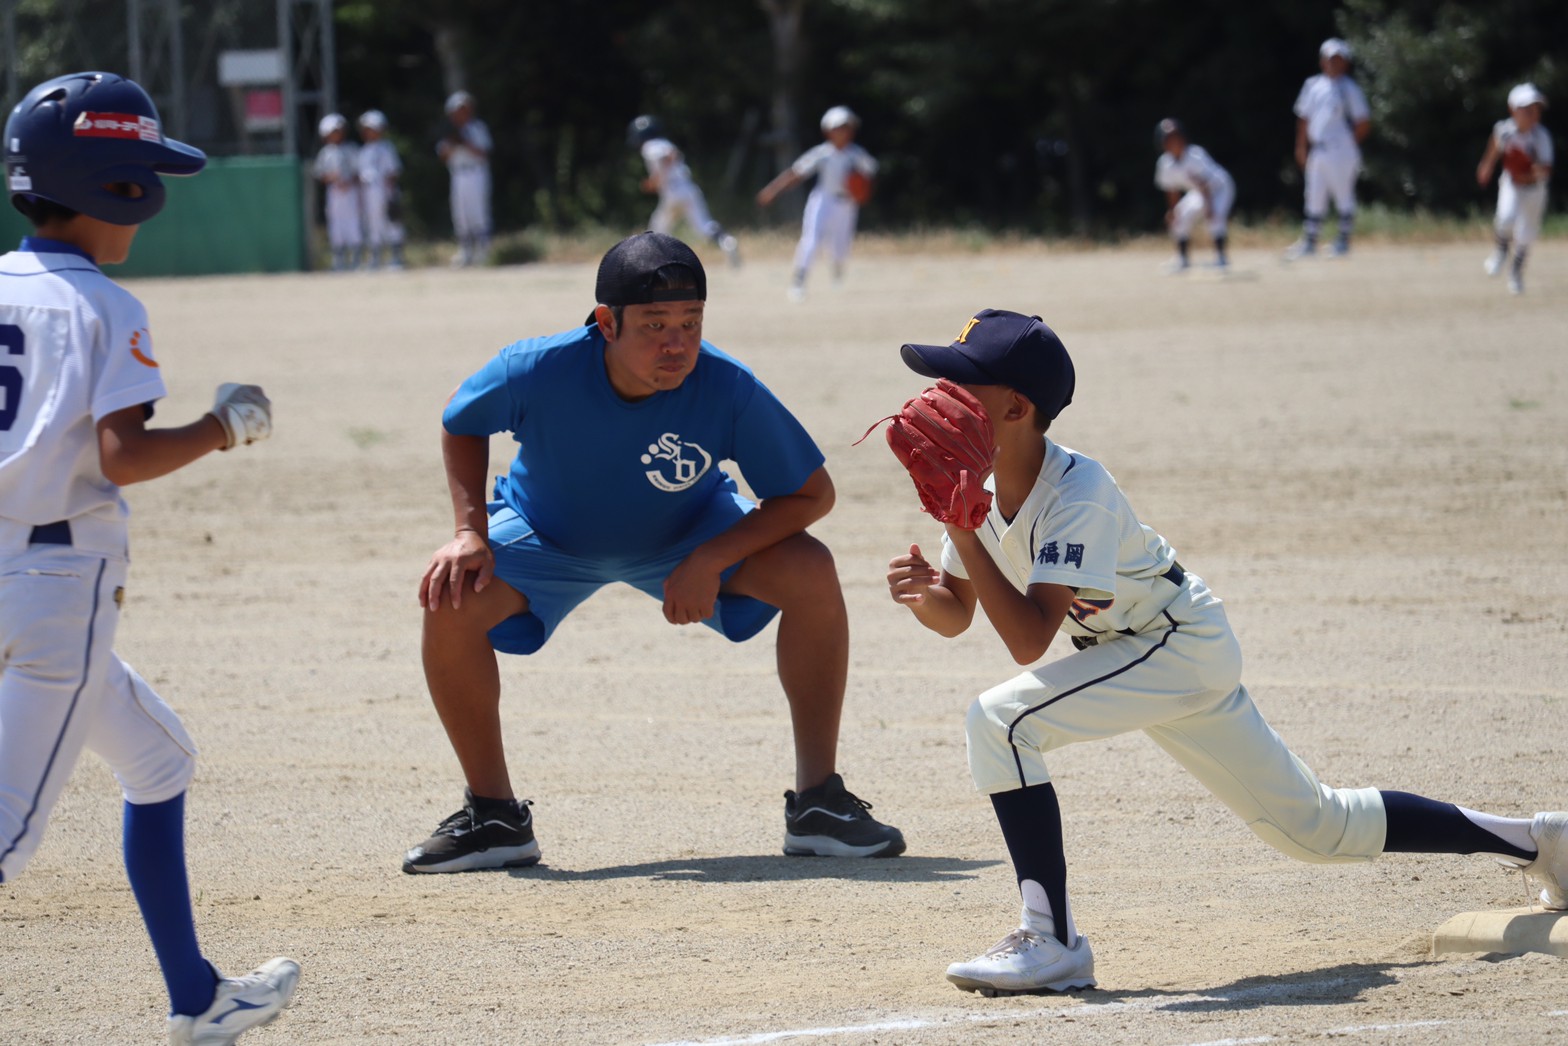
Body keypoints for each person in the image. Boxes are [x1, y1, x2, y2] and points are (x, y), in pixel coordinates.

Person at [883, 307, 1568, 996]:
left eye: (963, 380)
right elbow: (958, 614)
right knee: (1315, 827)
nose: (941, 392)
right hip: (1140, 656)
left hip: (1176, 645)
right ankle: (1538, 841)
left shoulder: (1077, 492)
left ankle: (1051, 939)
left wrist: (964, 534)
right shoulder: (982, 491)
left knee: (1001, 722)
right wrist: (928, 591)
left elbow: (1029, 637)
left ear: (1016, 407)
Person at [403, 231, 904, 874]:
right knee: (450, 593)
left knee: (810, 567)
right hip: (546, 536)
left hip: (684, 535)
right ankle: (495, 817)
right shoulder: (536, 368)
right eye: (655, 324)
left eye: (691, 323)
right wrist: (470, 529)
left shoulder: (726, 387)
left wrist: (709, 559)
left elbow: (810, 495)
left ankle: (819, 806)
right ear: (606, 323)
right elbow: (460, 419)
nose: (676, 343)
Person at [0, 71, 298, 1042]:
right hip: (54, 590)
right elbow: (120, 453)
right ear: (114, 187)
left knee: (158, 757)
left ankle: (198, 998)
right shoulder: (106, 304)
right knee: (5, 838)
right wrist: (220, 426)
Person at [756, 105, 878, 303]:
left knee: (841, 246)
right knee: (811, 240)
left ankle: (837, 272)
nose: (843, 132)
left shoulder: (857, 155)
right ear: (828, 131)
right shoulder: (823, 153)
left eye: (846, 127)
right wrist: (772, 190)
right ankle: (799, 281)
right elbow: (796, 174)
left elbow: (870, 176)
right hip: (823, 199)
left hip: (847, 204)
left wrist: (863, 189)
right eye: (838, 127)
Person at [1284, 38, 1371, 260]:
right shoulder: (1313, 85)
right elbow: (1304, 118)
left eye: (1339, 59)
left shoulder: (1349, 89)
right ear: (1323, 61)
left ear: (1345, 63)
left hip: (1340, 149)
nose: (1334, 63)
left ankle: (1343, 240)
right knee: (1314, 194)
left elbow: (1363, 122)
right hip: (1318, 150)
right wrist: (1301, 146)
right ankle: (1310, 241)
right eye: (1331, 59)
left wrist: (1347, 144)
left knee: (1343, 194)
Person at [627, 115, 740, 267]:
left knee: (657, 228)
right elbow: (673, 154)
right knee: (704, 225)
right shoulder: (665, 143)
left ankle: (650, 262)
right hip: (688, 188)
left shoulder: (650, 146)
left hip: (672, 192)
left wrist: (654, 181)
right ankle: (727, 242)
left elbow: (665, 158)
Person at [1476, 83, 1553, 296]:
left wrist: (1528, 171)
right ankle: (1501, 251)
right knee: (1505, 218)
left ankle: (1516, 272)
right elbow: (1494, 147)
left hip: (1535, 189)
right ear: (1513, 109)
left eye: (1536, 109)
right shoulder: (1505, 130)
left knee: (1526, 234)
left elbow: (1546, 169)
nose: (1532, 114)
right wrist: (1486, 166)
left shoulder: (1541, 137)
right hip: (1512, 183)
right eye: (1527, 109)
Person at [1153, 118, 1235, 272]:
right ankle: (1183, 259)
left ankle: (1221, 258)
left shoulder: (1195, 155)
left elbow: (1205, 184)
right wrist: (1172, 211)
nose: (1174, 142)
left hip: (1220, 188)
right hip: (1200, 192)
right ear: (1162, 142)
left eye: (1176, 137)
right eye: (1169, 139)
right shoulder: (1164, 163)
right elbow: (1171, 190)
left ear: (1183, 138)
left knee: (1215, 217)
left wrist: (1209, 208)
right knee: (1180, 216)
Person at [437, 90, 493, 267]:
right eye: (457, 110)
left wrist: (464, 143)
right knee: (461, 214)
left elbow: (484, 153)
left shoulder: (477, 127)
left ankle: (483, 251)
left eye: (464, 109)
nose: (461, 113)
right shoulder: (449, 131)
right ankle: (465, 251)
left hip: (475, 173)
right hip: (458, 174)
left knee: (478, 212)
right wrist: (452, 144)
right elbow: (443, 156)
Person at [357, 109, 407, 271]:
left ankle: (396, 257)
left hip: (385, 190)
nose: (371, 132)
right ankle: (375, 257)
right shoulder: (363, 150)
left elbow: (392, 172)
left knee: (392, 223)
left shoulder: (386, 147)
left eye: (374, 128)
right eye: (368, 129)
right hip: (369, 192)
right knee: (373, 224)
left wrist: (391, 195)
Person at [313, 112, 362, 271]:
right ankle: (338, 259)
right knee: (336, 225)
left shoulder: (352, 149)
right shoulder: (326, 152)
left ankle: (356, 258)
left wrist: (349, 181)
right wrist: (332, 178)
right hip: (334, 193)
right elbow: (320, 174)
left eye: (339, 131)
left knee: (353, 223)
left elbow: (358, 171)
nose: (337, 135)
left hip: (351, 192)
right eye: (333, 132)